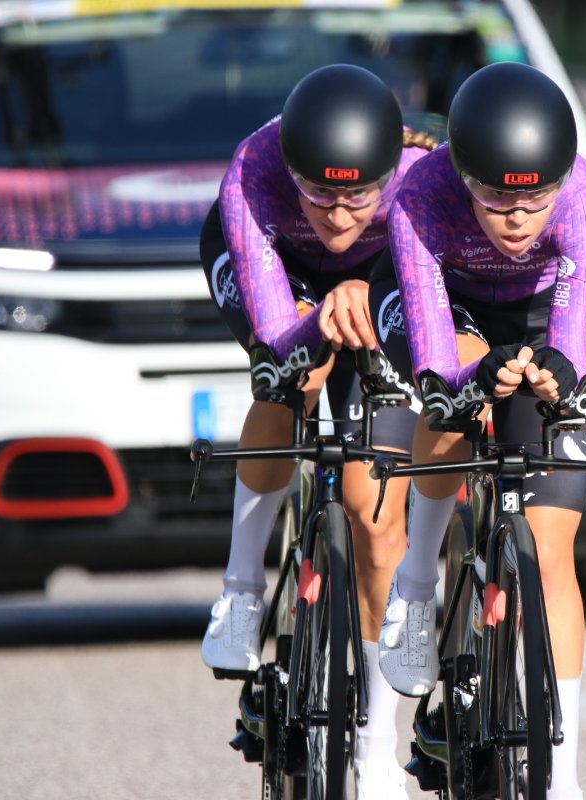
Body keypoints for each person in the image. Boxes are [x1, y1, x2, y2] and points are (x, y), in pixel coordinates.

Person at [368, 61, 586, 800]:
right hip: (449, 308)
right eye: (495, 199)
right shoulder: (421, 194)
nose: (515, 218)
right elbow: (437, 356)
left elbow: (573, 337)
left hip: (541, 317)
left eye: (534, 199)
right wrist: (465, 382)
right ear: (462, 173)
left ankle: (562, 778)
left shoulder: (585, 203)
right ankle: (416, 586)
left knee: (551, 551)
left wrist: (555, 382)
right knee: (455, 398)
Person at [199, 63, 436, 799]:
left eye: (357, 194)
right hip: (277, 272)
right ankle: (241, 590)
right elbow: (273, 328)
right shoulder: (252, 173)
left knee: (376, 513)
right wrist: (312, 320)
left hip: (384, 276)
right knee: (287, 377)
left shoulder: (423, 176)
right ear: (293, 172)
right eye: (320, 194)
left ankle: (375, 740)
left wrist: (367, 294)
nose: (337, 214)